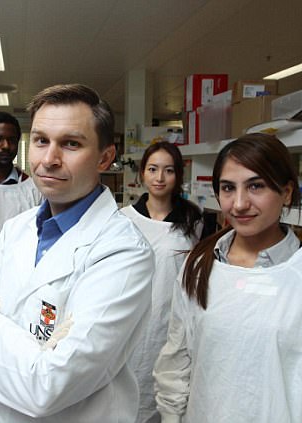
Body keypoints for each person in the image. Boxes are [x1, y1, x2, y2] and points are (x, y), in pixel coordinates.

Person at [0, 84, 154, 422]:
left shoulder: (123, 252)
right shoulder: (16, 229)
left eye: (71, 144)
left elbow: (47, 387)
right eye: (41, 140)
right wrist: (25, 357)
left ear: (105, 157)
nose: (49, 159)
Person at [153, 133, 302, 423]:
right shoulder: (199, 265)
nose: (240, 203)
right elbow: (177, 361)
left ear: (287, 192)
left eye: (256, 186)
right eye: (228, 188)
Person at [119, 141, 203, 423]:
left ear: (178, 175)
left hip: (172, 323)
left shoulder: (194, 219)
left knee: (167, 397)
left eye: (168, 170)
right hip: (131, 321)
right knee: (127, 394)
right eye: (153, 169)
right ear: (142, 172)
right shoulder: (123, 219)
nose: (159, 177)